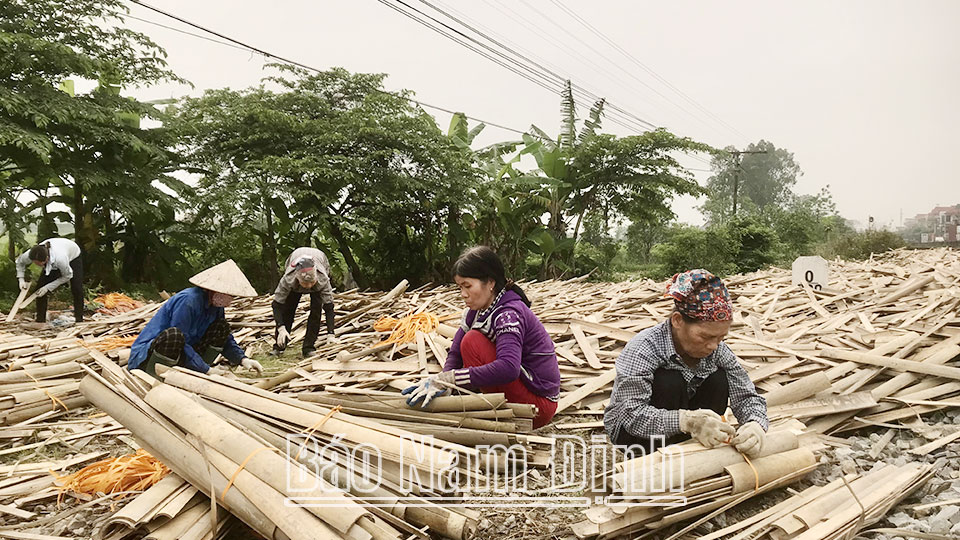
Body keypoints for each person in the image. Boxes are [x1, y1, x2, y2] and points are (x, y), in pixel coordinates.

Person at [604, 269, 768, 457]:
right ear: (677, 321)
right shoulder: (643, 349)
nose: (714, 346)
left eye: (721, 338)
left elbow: (747, 396)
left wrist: (755, 424)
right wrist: (688, 422)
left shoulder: (718, 350)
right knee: (669, 381)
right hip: (634, 434)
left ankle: (696, 451)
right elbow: (631, 415)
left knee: (718, 380)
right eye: (705, 336)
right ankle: (656, 460)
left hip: (689, 428)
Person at [402, 246, 561, 429]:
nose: (463, 294)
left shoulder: (508, 314)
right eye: (460, 287)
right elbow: (455, 353)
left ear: (490, 282)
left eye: (468, 286)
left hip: (537, 406)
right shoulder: (476, 312)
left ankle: (488, 411)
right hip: (517, 392)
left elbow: (509, 368)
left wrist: (451, 379)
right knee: (468, 342)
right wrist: (443, 382)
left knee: (473, 341)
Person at [128, 260, 263, 378]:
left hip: (183, 354)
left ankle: (194, 372)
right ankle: (155, 377)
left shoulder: (216, 306)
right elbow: (181, 341)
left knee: (222, 327)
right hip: (149, 355)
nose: (230, 299)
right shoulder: (188, 301)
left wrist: (243, 359)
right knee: (175, 336)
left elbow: (226, 338)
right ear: (214, 290)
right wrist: (207, 370)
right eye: (229, 295)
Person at [272, 247, 337, 357]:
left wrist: (331, 333)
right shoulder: (288, 279)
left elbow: (329, 306)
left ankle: (308, 348)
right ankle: (279, 346)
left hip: (320, 258)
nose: (308, 287)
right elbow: (277, 304)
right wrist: (281, 327)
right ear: (297, 279)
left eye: (311, 283)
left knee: (316, 311)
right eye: (305, 284)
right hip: (296, 257)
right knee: (288, 310)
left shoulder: (322, 279)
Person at [15, 238, 84, 323]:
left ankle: (79, 318)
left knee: (77, 288)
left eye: (39, 264)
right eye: (35, 263)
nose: (38, 266)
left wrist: (48, 287)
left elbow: (67, 276)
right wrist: (21, 279)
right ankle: (40, 320)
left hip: (73, 254)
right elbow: (20, 262)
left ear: (47, 258)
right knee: (39, 290)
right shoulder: (31, 254)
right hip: (57, 253)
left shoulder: (60, 259)